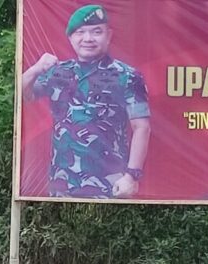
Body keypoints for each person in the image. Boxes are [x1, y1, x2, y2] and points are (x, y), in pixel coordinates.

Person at [21, 4, 151, 199]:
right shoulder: (58, 72)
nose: (88, 39)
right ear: (71, 38)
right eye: (81, 32)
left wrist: (132, 176)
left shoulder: (127, 76)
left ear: (108, 35)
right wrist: (35, 70)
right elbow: (23, 95)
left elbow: (142, 127)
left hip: (110, 186)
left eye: (96, 32)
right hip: (62, 185)